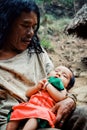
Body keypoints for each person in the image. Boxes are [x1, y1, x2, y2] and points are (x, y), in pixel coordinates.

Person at [0, 0, 77, 130]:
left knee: (84, 114)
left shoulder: (36, 52)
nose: (31, 33)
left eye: (34, 27)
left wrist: (70, 100)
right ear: (6, 24)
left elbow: (59, 83)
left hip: (48, 110)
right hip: (13, 119)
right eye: (25, 25)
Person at [6, 65, 75, 130]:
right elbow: (28, 94)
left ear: (67, 86)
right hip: (31, 106)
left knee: (36, 116)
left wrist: (48, 86)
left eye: (64, 76)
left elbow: (60, 98)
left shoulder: (62, 89)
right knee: (16, 112)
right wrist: (36, 87)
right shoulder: (43, 82)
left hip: (45, 110)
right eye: (56, 71)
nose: (59, 74)